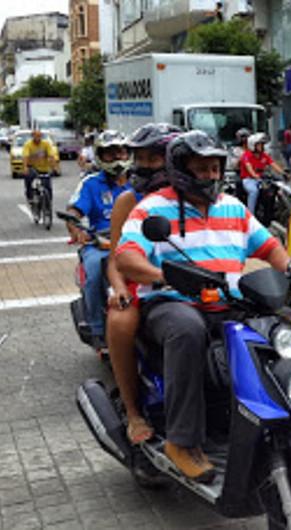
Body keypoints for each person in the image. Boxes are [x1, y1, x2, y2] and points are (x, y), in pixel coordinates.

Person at [115, 130, 291, 482]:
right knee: (186, 329)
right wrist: (164, 277)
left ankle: (288, 412)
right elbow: (126, 257)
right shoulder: (151, 208)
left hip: (227, 301)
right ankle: (183, 442)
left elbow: (270, 247)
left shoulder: (233, 206)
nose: (211, 175)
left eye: (215, 168)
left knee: (282, 324)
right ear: (182, 169)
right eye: (202, 168)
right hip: (172, 303)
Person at [105, 123, 181, 444]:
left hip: (191, 285)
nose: (145, 166)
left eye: (154, 158)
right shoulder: (128, 199)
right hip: (142, 284)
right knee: (121, 322)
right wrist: (119, 288)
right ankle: (134, 411)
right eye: (141, 158)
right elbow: (114, 258)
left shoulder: (193, 196)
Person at [66, 131, 132, 355]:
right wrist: (76, 230)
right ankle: (97, 330)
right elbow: (73, 211)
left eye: (121, 152)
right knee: (94, 270)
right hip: (99, 242)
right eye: (110, 153)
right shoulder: (91, 183)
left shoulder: (140, 182)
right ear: (100, 156)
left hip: (135, 240)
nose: (117, 158)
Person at [240, 132, 285, 213]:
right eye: (259, 144)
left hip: (262, 179)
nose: (262, 146)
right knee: (254, 191)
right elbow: (249, 168)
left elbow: (273, 164)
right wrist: (255, 175)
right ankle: (250, 214)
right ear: (252, 145)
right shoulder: (246, 155)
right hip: (249, 179)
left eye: (262, 144)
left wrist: (283, 173)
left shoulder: (264, 155)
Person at [22, 129, 58, 208]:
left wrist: (54, 167)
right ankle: (30, 196)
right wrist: (25, 167)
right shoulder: (28, 145)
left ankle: (48, 203)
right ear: (32, 136)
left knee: (47, 186)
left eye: (39, 136)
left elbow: (51, 156)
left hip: (44, 168)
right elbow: (25, 157)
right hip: (32, 167)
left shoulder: (46, 144)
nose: (38, 138)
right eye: (36, 136)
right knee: (29, 177)